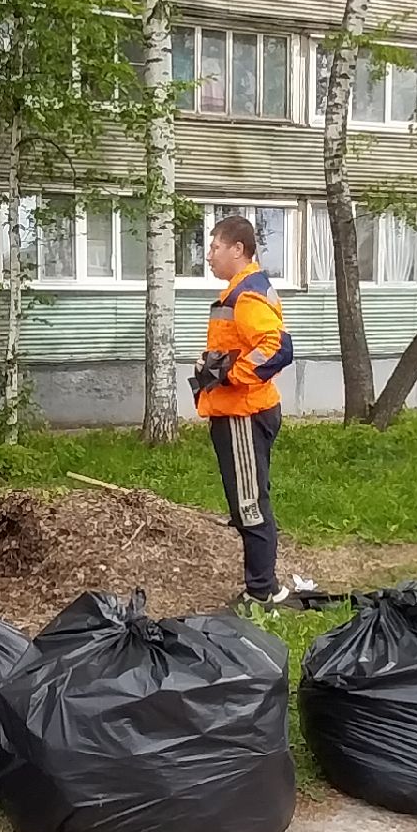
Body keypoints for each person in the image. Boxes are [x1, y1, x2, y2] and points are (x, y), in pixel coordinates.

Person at [192, 215, 292, 614]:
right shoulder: (240, 292)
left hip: (243, 415)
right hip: (236, 413)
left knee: (250, 504)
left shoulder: (246, 296)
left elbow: (276, 348)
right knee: (244, 502)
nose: (209, 256)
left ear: (238, 249)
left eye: (215, 247)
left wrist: (231, 375)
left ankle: (262, 593)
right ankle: (260, 586)